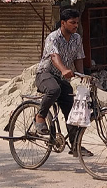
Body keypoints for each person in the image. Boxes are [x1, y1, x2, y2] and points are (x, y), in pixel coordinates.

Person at [34, 8, 90, 156]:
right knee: (54, 90)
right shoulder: (53, 37)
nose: (75, 25)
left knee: (72, 110)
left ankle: (76, 146)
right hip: (45, 74)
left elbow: (79, 57)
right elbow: (54, 56)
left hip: (60, 78)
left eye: (77, 23)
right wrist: (64, 70)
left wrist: (81, 76)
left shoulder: (77, 38)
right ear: (63, 23)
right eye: (72, 23)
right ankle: (40, 117)